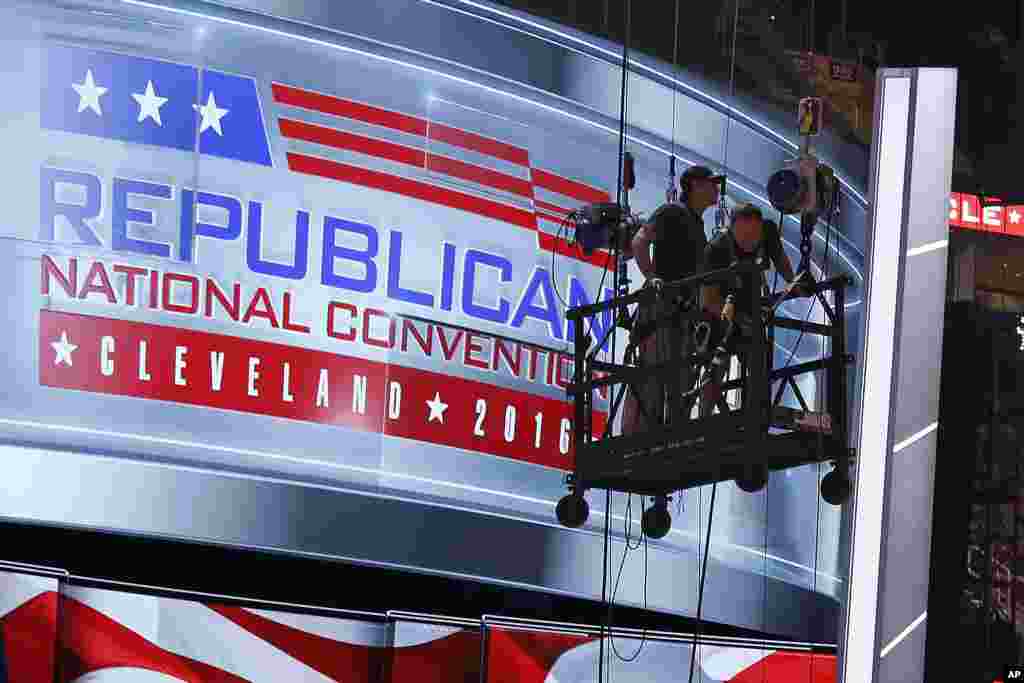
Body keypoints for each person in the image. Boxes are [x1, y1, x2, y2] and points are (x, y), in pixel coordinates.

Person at [621, 165, 722, 435]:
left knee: (677, 376)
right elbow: (639, 241)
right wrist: (652, 277)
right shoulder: (672, 211)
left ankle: (668, 433)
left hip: (682, 312)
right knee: (653, 373)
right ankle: (639, 437)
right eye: (712, 183)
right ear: (695, 185)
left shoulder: (698, 225)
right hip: (661, 307)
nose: (717, 188)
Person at [699, 202, 804, 415]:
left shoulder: (767, 232)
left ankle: (756, 418)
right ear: (732, 228)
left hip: (752, 305)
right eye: (744, 235)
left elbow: (781, 260)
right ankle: (703, 421)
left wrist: (794, 281)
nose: (750, 241)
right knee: (715, 369)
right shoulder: (715, 249)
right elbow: (708, 300)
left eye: (755, 235)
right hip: (719, 312)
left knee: (759, 365)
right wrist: (736, 319)